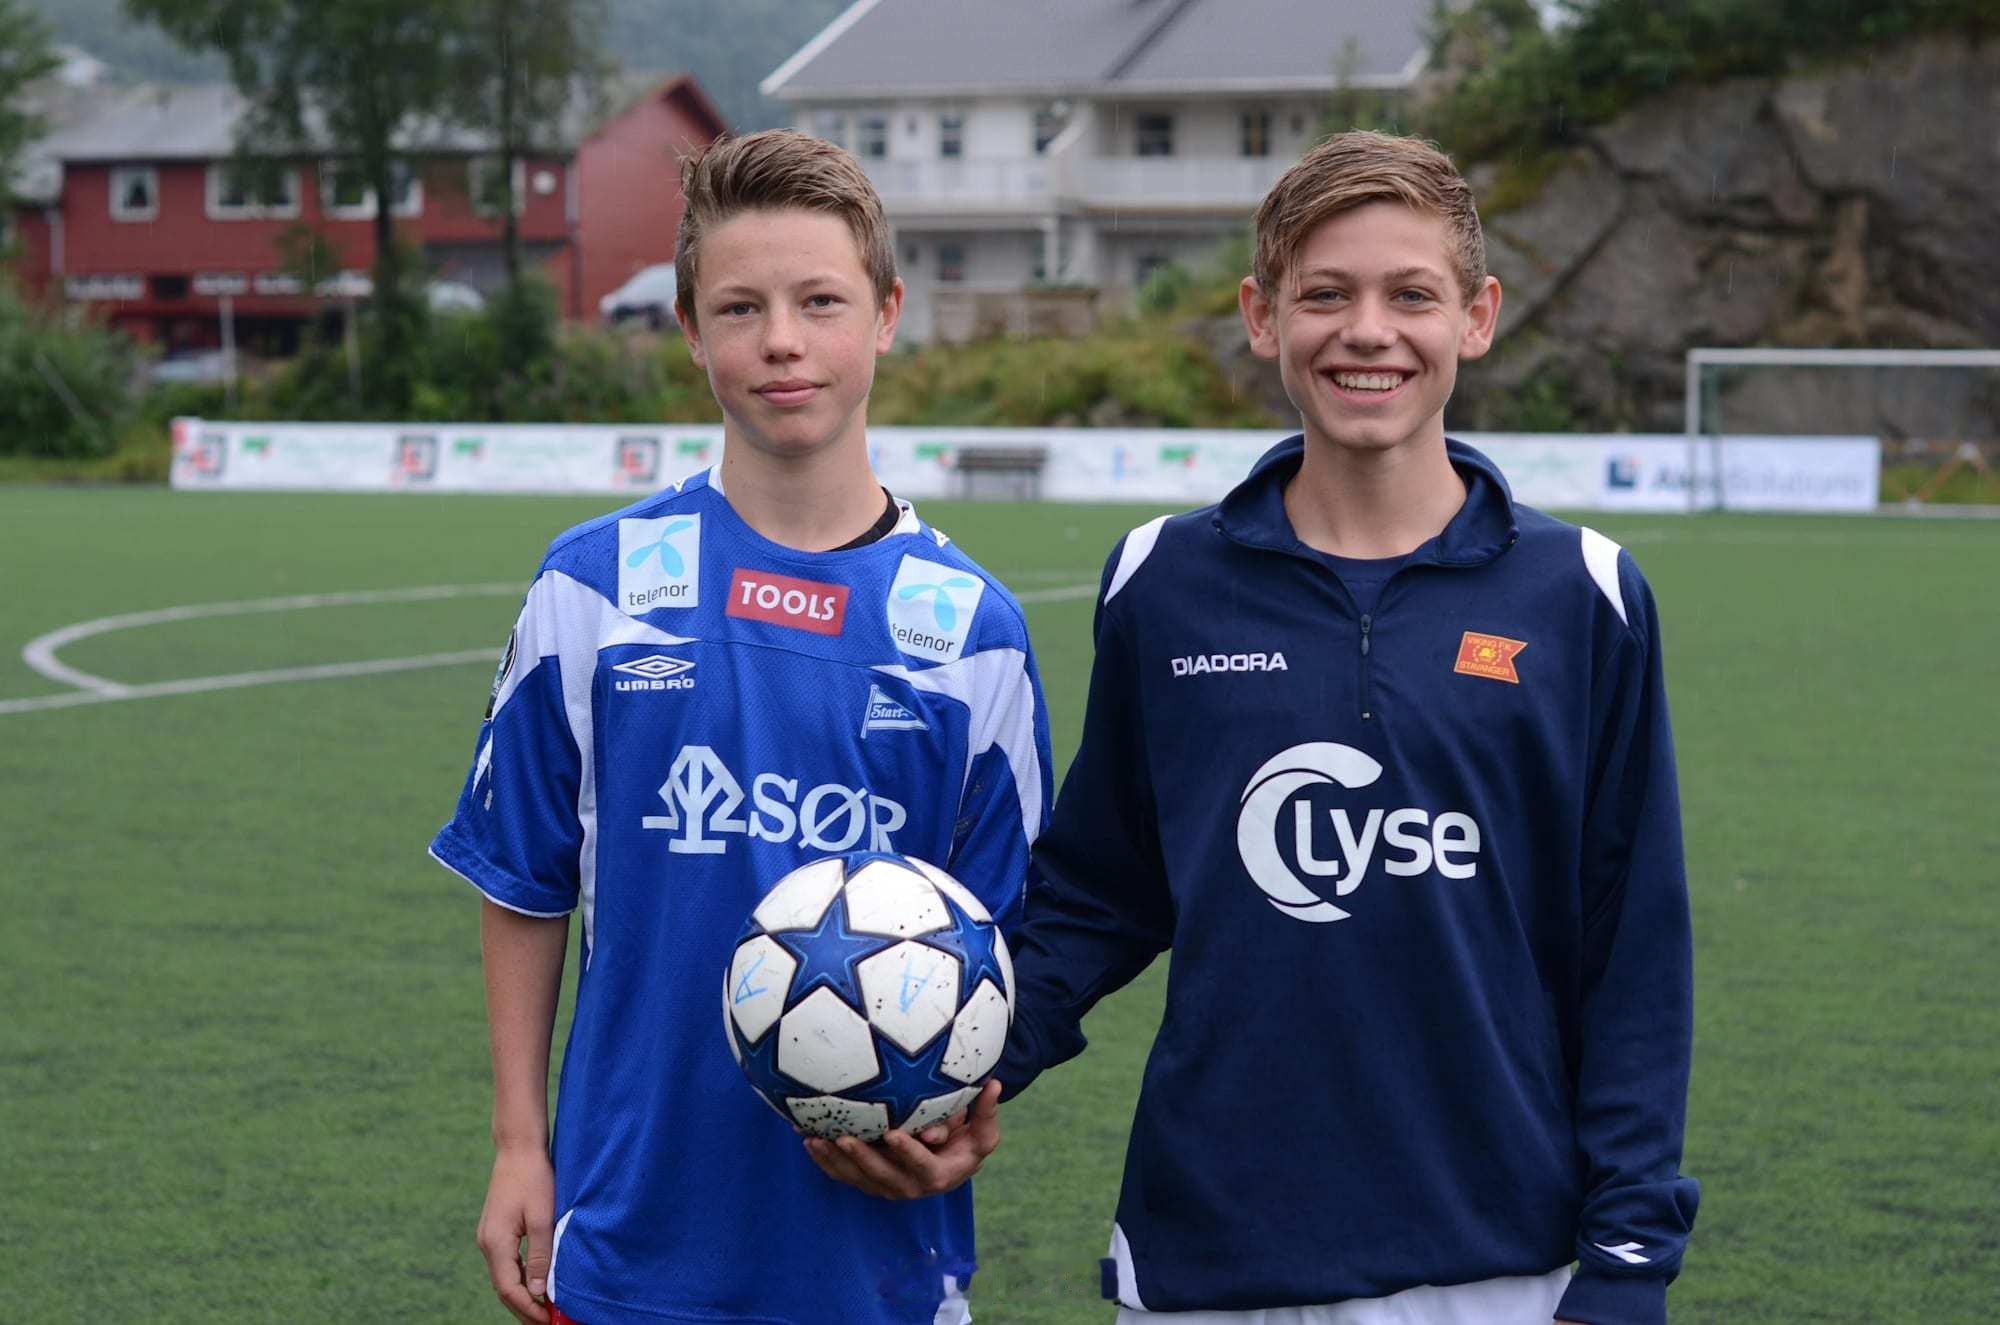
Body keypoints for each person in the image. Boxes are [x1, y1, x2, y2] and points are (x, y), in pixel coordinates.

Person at [814, 130, 1699, 1325]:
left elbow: (1630, 946)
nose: (1367, 331)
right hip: (1211, 1250)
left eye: (1410, 296)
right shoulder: (1163, 580)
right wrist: (952, 1067)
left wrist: (1630, 1251)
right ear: (1261, 316)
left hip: (1497, 1258)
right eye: (1324, 295)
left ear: (1476, 317)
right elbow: (1098, 890)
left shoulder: (1581, 594)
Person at [430, 129, 1052, 1325]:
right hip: (628, 1233)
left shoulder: (973, 631)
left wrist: (973, 1113)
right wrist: (518, 1140)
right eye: (739, 307)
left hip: (873, 1256)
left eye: (820, 301)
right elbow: (523, 879)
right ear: (688, 327)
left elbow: (1001, 946)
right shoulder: (595, 586)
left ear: (885, 314)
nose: (780, 340)